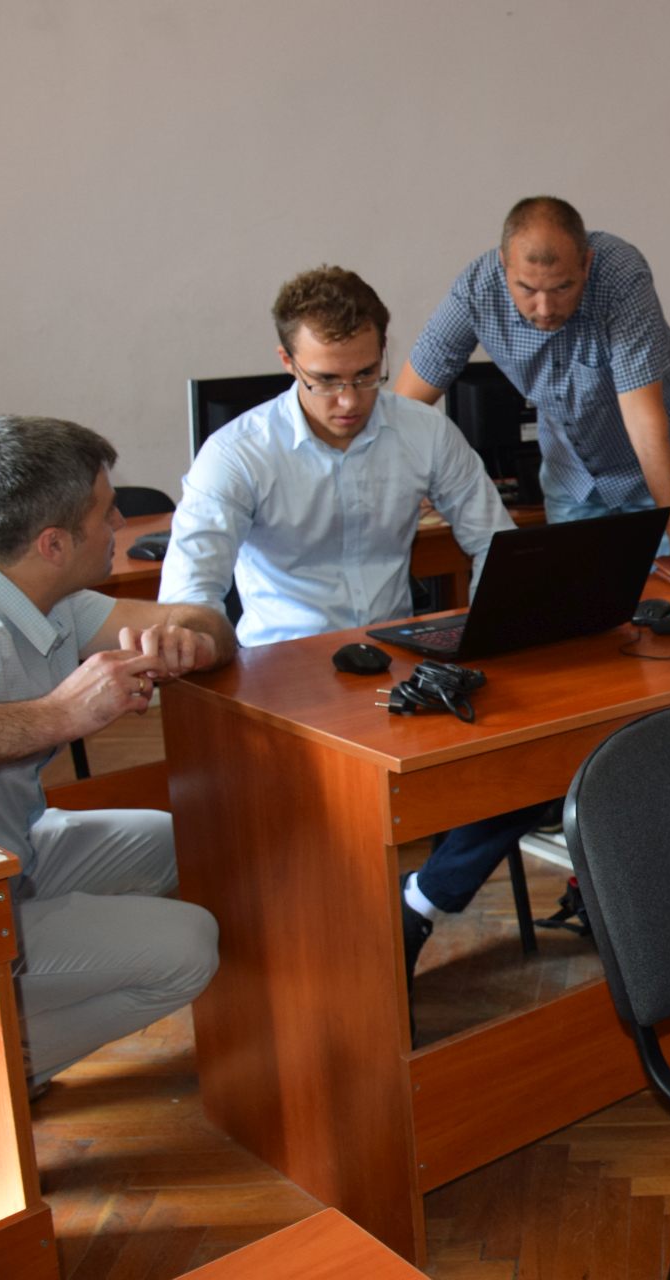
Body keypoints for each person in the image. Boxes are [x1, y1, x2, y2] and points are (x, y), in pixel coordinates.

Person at [160, 266, 532, 979]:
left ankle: (420, 901)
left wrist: (493, 632)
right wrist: (192, 641)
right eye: (326, 380)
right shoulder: (238, 452)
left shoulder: (423, 432)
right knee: (325, 824)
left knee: (537, 753)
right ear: (287, 362)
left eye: (366, 376)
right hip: (283, 677)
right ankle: (332, 952)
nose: (349, 400)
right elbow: (189, 591)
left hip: (400, 661)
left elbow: (496, 543)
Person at [0, 416, 231, 1090]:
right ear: (54, 543)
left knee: (185, 841)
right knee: (189, 947)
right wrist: (57, 716)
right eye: (105, 510)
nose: (120, 520)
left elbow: (199, 618)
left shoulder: (39, 595)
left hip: (12, 849)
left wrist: (193, 640)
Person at [394, 196, 670, 568]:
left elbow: (644, 423)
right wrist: (400, 480)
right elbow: (403, 408)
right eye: (527, 289)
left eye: (561, 288)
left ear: (586, 263)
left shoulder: (621, 276)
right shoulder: (476, 291)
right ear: (503, 265)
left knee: (669, 585)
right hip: (573, 470)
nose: (545, 308)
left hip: (657, 461)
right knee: (574, 589)